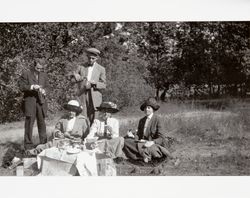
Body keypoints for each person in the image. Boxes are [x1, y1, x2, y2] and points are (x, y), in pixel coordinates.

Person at [25, 100, 90, 155]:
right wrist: (58, 133)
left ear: (77, 111)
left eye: (73, 111)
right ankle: (33, 152)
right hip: (63, 140)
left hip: (76, 142)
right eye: (69, 110)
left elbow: (87, 135)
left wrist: (83, 143)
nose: (70, 112)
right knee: (49, 146)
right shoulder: (63, 119)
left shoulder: (82, 120)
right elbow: (56, 129)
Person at [123, 97, 173, 163]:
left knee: (152, 149)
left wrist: (152, 142)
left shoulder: (158, 119)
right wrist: (133, 136)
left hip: (153, 144)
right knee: (125, 141)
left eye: (149, 108)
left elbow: (162, 138)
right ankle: (141, 157)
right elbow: (139, 135)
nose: (146, 109)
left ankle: (144, 156)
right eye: (145, 108)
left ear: (153, 109)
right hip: (142, 143)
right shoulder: (141, 120)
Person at [70, 47, 106, 125]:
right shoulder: (81, 67)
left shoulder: (101, 69)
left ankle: (92, 135)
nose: (90, 60)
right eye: (89, 58)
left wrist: (95, 83)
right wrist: (76, 77)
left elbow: (104, 84)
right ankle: (83, 135)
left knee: (95, 119)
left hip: (94, 96)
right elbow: (72, 81)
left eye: (93, 58)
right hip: (82, 94)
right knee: (82, 117)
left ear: (97, 58)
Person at [19, 58, 49, 150]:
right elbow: (21, 86)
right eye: (38, 68)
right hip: (30, 102)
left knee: (42, 124)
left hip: (41, 102)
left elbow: (48, 87)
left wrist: (45, 91)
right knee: (29, 124)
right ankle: (28, 146)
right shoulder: (26, 73)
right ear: (34, 65)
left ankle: (44, 144)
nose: (39, 70)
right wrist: (32, 87)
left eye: (41, 69)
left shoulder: (44, 75)